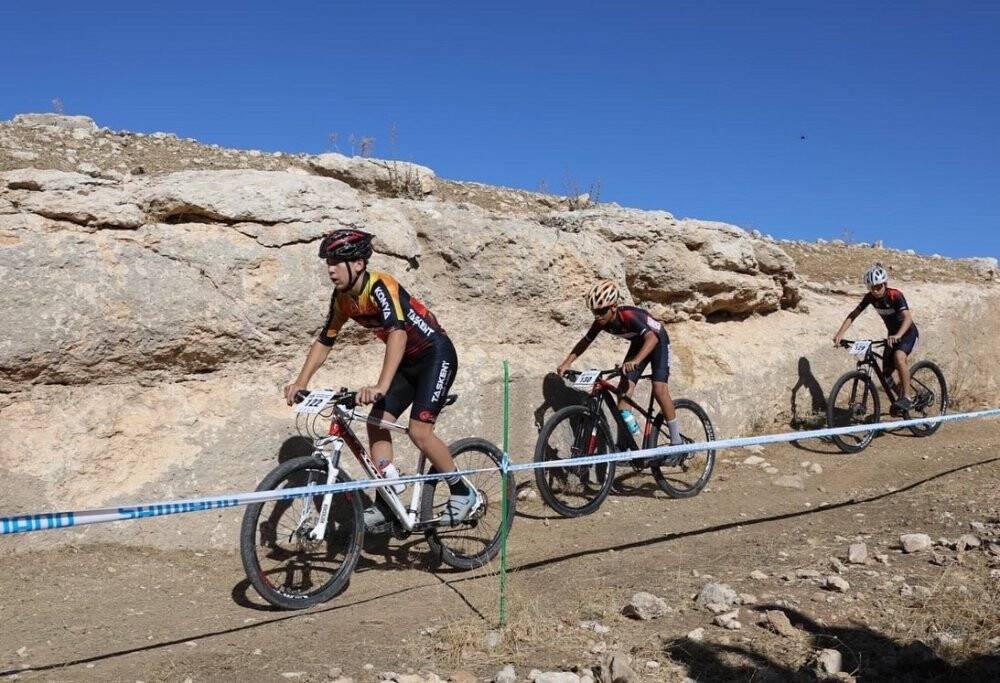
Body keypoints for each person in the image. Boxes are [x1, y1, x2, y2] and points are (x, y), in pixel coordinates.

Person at [283, 228, 475, 528]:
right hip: (408, 363)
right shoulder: (342, 299)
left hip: (435, 355)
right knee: (376, 422)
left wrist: (381, 386)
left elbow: (397, 333)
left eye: (336, 262)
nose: (330, 270)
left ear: (358, 264)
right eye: (327, 263)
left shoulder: (380, 286)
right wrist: (301, 382)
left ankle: (462, 491)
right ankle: (389, 502)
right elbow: (324, 341)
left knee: (419, 432)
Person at [556, 280, 682, 446]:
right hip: (639, 343)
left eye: (601, 311)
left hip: (657, 341)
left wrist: (636, 361)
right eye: (594, 312)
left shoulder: (628, 316)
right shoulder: (600, 322)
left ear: (613, 307)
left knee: (659, 389)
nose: (598, 316)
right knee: (623, 394)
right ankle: (629, 443)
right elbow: (585, 341)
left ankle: (677, 441)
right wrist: (567, 363)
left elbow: (651, 338)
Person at [832, 263, 919, 412]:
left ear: (885, 284)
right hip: (892, 337)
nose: (876, 290)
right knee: (885, 376)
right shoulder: (870, 297)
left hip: (907, 333)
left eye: (879, 286)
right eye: (872, 287)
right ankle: (901, 400)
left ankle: (907, 398)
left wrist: (898, 335)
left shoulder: (895, 295)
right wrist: (840, 334)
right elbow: (853, 315)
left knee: (899, 357)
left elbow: (908, 318)